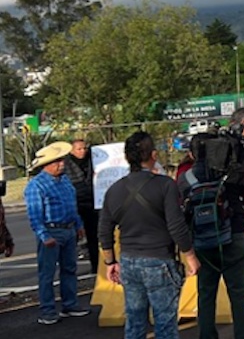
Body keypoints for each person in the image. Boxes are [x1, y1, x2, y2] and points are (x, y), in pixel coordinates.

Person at [100, 132, 200, 339]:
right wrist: (190, 256)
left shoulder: (114, 190)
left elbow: (104, 229)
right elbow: (176, 225)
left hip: (129, 260)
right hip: (160, 258)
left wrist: (110, 262)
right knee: (165, 321)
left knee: (135, 321)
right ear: (153, 154)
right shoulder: (165, 185)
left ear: (127, 158)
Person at [179, 108, 244, 339]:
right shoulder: (230, 171)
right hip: (233, 235)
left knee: (206, 294)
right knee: (238, 294)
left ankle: (207, 335)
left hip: (202, 242)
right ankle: (243, 335)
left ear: (193, 154)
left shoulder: (185, 178)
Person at [25, 141, 89, 325]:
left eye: (61, 160)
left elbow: (72, 205)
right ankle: (47, 311)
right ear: (47, 165)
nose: (62, 163)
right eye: (57, 161)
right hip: (51, 230)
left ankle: (70, 304)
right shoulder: (36, 185)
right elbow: (35, 214)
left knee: (69, 269)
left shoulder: (65, 180)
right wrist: (44, 235)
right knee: (47, 273)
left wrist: (78, 224)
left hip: (68, 229)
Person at [63, 138, 98, 272]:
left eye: (84, 148)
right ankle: (69, 268)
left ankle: (96, 265)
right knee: (73, 237)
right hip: (75, 202)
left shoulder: (92, 160)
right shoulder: (66, 163)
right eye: (79, 149)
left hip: (91, 202)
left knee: (93, 235)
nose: (82, 151)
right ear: (72, 150)